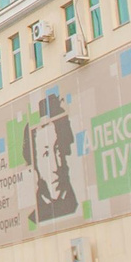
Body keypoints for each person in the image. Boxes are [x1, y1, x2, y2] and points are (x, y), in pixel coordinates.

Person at [28, 94, 80, 225]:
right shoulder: (34, 219)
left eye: (57, 150)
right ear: (34, 167)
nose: (55, 166)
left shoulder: (77, 204)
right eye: (46, 154)